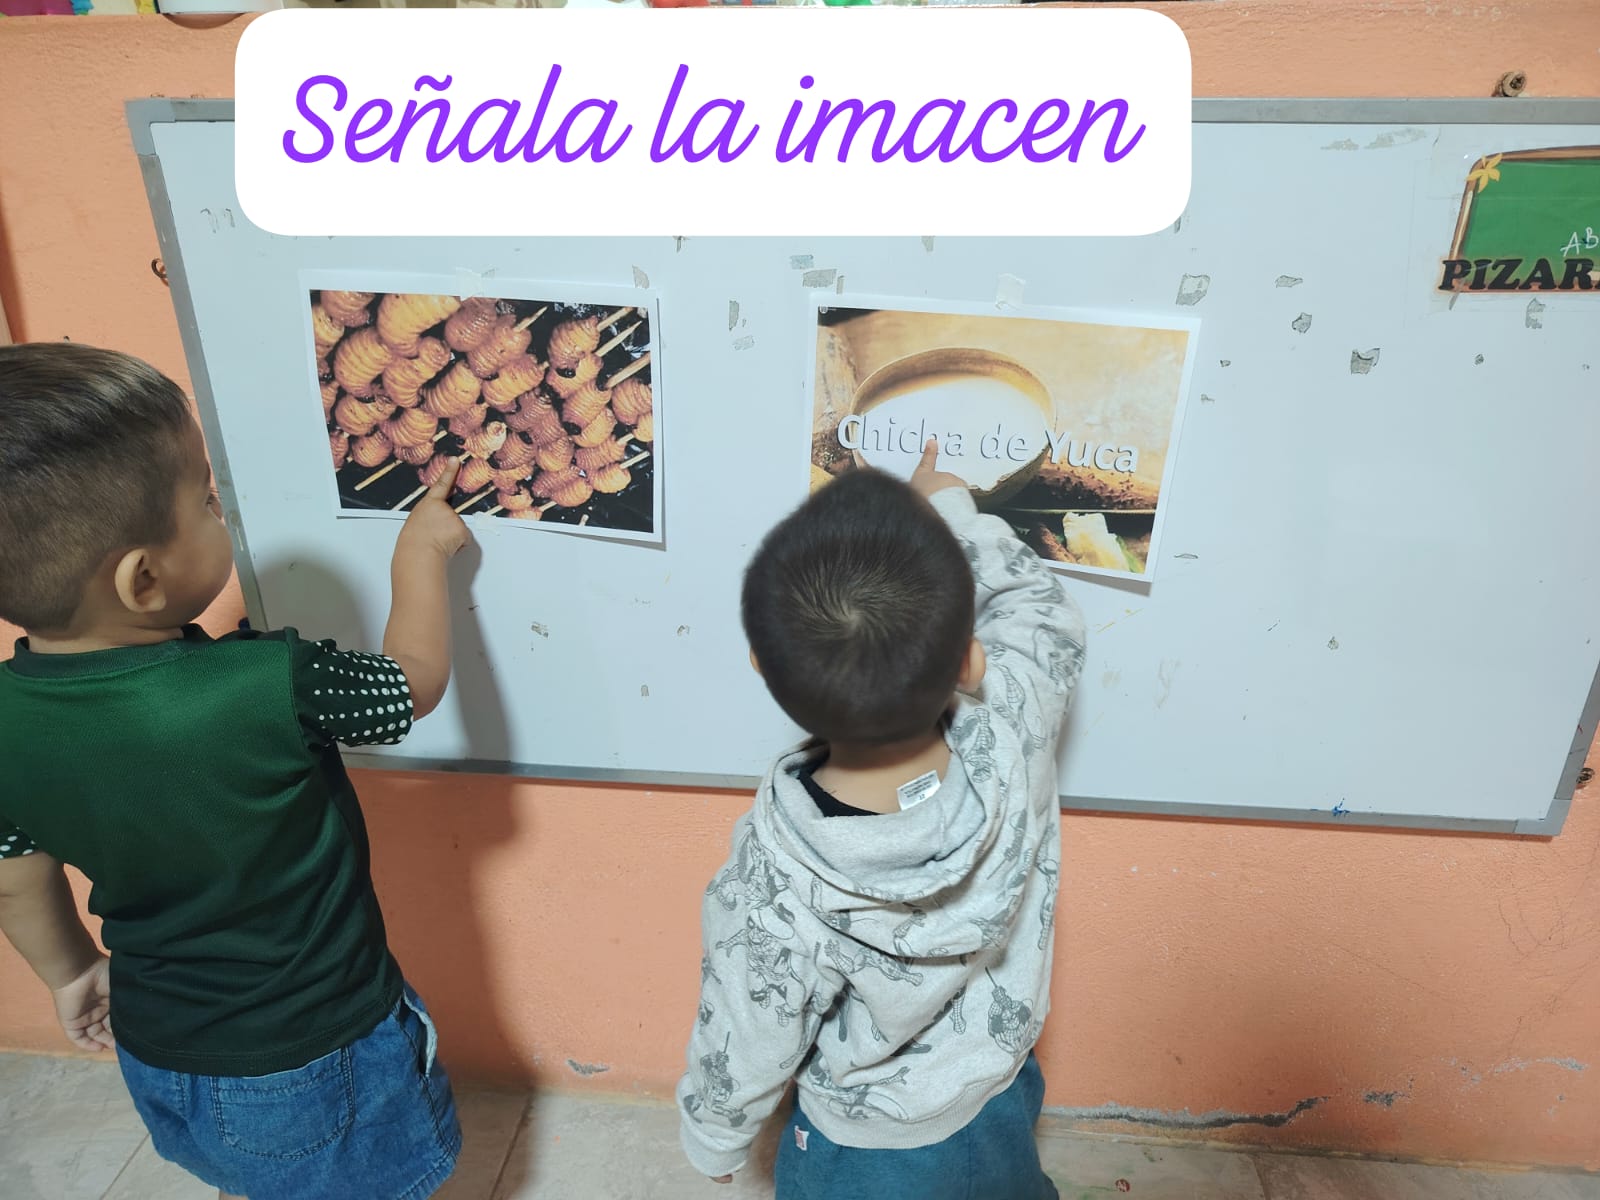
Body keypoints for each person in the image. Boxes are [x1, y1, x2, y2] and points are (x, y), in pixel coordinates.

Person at [0, 342, 469, 1200]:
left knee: (258, 1175)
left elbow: (16, 875)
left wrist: (69, 974)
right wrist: (420, 554)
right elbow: (412, 686)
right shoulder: (268, 683)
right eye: (207, 501)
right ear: (144, 579)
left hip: (159, 1046)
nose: (222, 509)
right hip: (314, 1055)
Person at [678, 438, 1087, 1199]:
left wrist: (715, 1133)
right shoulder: (1018, 718)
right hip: (999, 1082)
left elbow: (749, 1027)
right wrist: (953, 507)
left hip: (866, 1148)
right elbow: (1042, 615)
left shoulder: (771, 875)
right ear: (969, 661)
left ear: (762, 665)